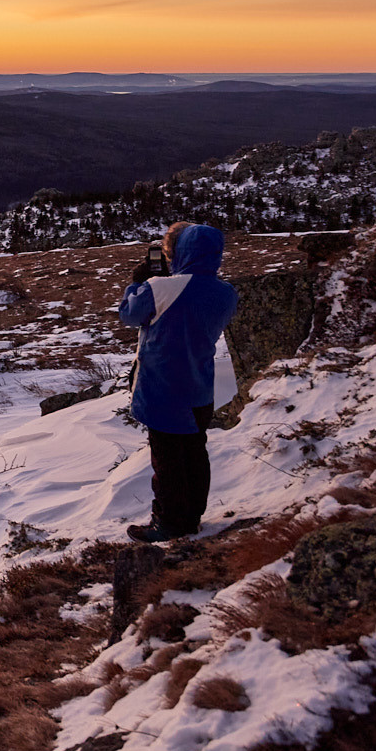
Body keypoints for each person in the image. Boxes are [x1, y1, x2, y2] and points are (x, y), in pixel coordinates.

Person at [119, 222, 237, 543]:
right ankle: (192, 515)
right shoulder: (226, 294)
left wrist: (138, 283)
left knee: (168, 460)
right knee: (195, 453)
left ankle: (169, 522)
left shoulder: (160, 288)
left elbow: (129, 314)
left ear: (180, 252)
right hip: (199, 387)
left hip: (163, 390)